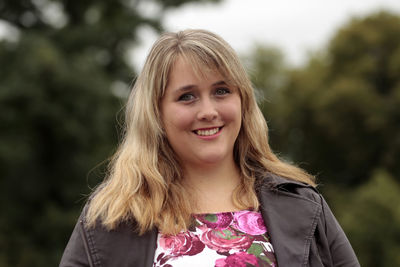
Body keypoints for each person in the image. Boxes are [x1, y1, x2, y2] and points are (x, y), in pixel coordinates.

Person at [60, 29, 360, 267]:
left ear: (242, 100)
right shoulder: (112, 217)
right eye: (187, 97)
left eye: (221, 91)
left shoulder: (303, 205)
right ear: (156, 113)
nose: (208, 111)